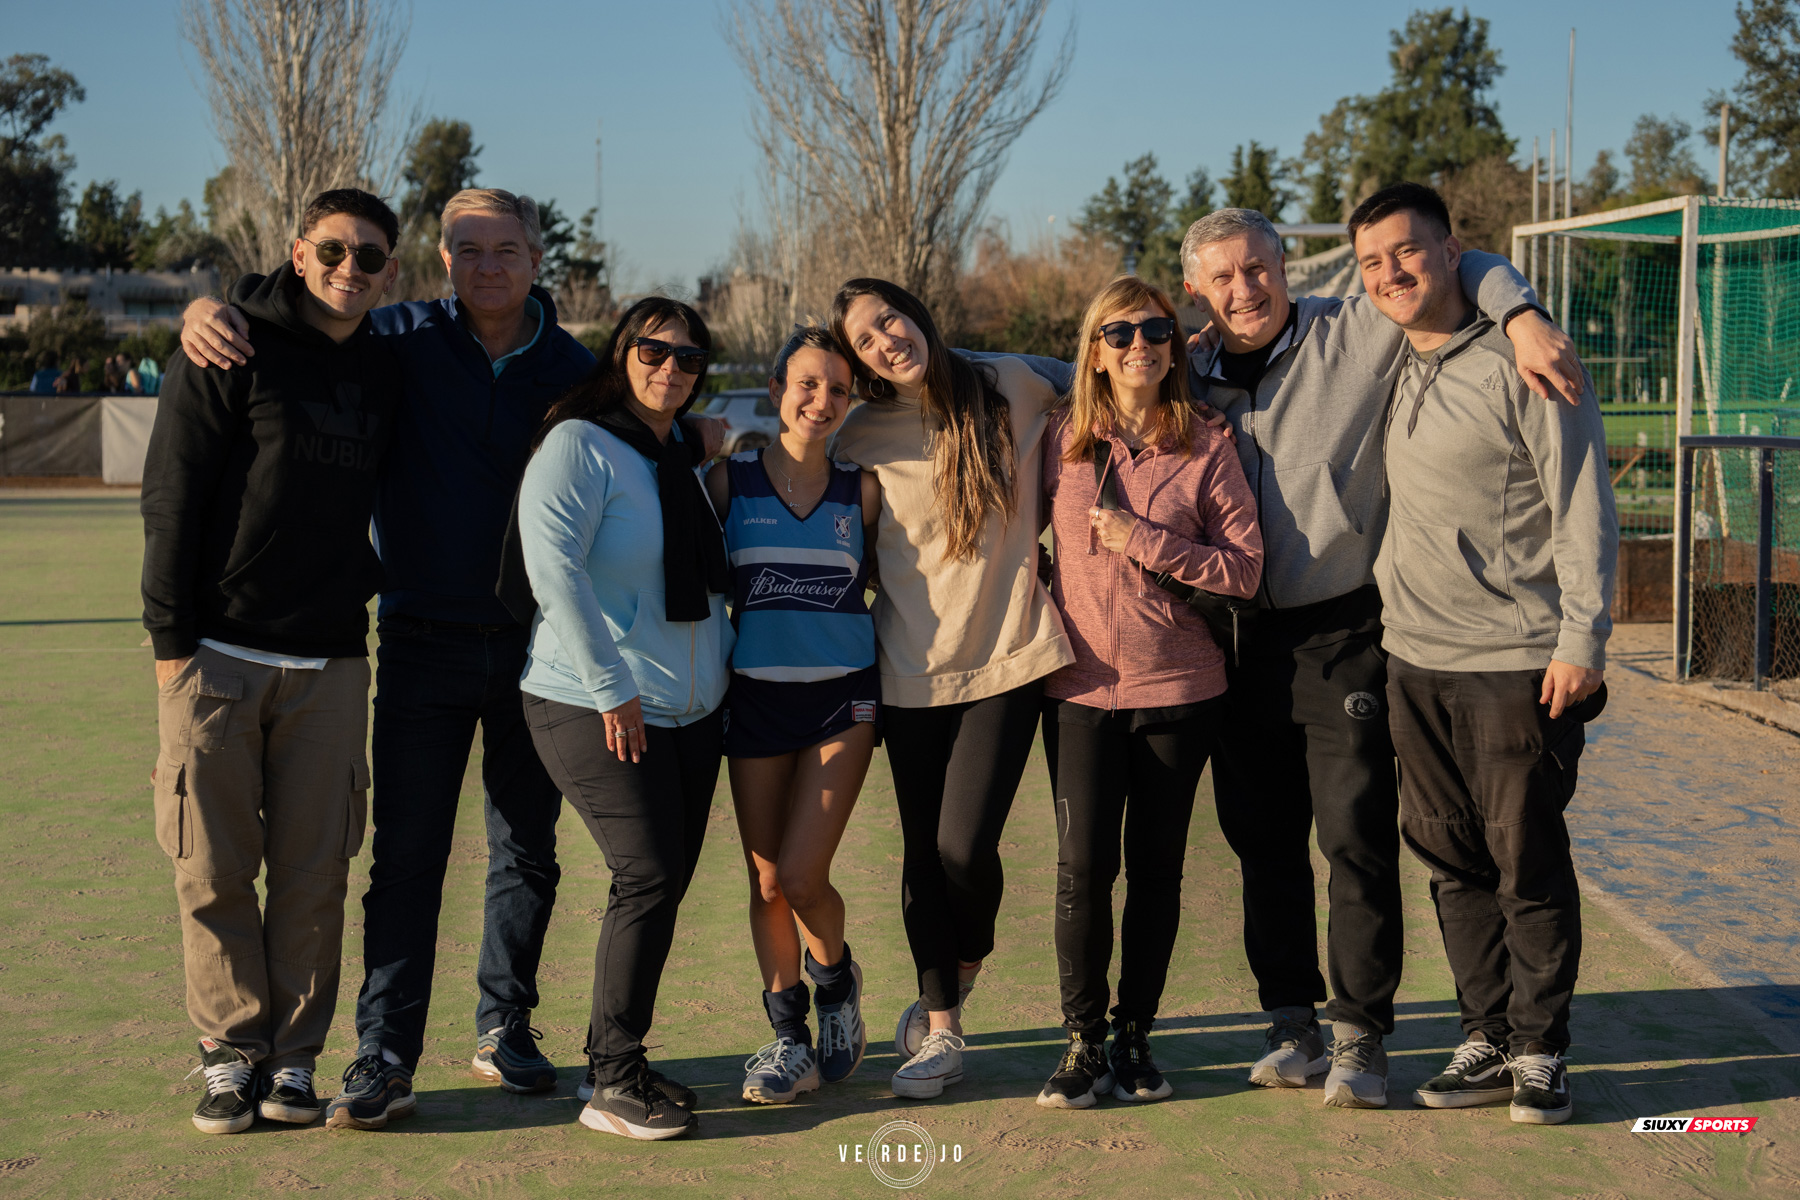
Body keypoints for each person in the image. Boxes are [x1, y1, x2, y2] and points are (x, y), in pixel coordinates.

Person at [998, 207, 1585, 1110]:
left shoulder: (1357, 329)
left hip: (1339, 630)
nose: (1245, 290)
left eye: (1258, 268)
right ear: (1197, 289)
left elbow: (1454, 266)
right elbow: (1058, 371)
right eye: (1223, 277)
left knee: (1354, 837)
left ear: (1285, 266)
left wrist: (1522, 312)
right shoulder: (1179, 367)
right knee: (1260, 841)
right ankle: (1292, 1023)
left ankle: (1361, 1033)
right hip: (1227, 642)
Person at [177, 190, 709, 1131]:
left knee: (526, 852)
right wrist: (212, 306)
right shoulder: (398, 338)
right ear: (442, 258)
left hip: (535, 658)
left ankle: (505, 1025)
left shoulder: (576, 369)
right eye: (469, 250)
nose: (489, 266)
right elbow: (302, 314)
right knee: (407, 859)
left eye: (506, 249)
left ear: (536, 258)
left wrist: (715, 441)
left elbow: (653, 429)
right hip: (419, 641)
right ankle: (383, 1054)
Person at [139, 188, 404, 1135]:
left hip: (330, 660)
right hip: (215, 654)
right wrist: (172, 644)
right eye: (332, 249)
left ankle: (294, 1061)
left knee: (312, 872)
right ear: (300, 253)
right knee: (210, 870)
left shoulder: (389, 362)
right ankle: (228, 1054)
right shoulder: (231, 344)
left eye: (370, 256)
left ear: (392, 272)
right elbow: (171, 491)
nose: (349, 268)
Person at [1350, 182, 1614, 1125]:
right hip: (1412, 657)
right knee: (1450, 856)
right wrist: (1515, 293)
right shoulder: (1379, 351)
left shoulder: (1527, 362)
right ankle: (1487, 1036)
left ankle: (1543, 1050)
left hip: (1517, 658)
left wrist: (1582, 635)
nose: (1392, 273)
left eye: (1409, 253)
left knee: (1525, 858)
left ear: (1451, 250)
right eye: (1373, 261)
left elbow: (1584, 499)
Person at [829, 278, 1074, 1100]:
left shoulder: (1013, 381)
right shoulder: (861, 434)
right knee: (920, 855)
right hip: (906, 672)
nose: (884, 341)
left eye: (888, 320)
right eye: (864, 341)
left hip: (1008, 655)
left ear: (916, 313)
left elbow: (1112, 378)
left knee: (965, 849)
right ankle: (942, 1032)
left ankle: (962, 963)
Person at [1035, 276, 1262, 1109]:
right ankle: (1082, 1039)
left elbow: (1244, 568)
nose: (1142, 347)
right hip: (1081, 690)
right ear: (1095, 348)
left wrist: (1149, 541)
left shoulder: (1207, 441)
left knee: (1156, 872)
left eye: (1158, 332)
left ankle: (1136, 1034)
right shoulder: (1060, 440)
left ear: (1175, 345)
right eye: (1122, 333)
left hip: (1180, 688)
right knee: (1080, 870)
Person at [515, 296, 732, 1141]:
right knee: (644, 874)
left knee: (665, 880)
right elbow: (553, 570)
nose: (670, 368)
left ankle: (621, 1056)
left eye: (687, 359)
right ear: (621, 352)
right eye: (653, 351)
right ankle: (610, 1081)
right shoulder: (579, 444)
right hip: (589, 698)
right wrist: (611, 687)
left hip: (690, 709)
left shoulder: (673, 448)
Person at [703, 326, 881, 1105]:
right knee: (769, 882)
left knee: (807, 875)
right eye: (807, 384)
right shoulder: (726, 481)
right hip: (756, 698)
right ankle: (788, 1039)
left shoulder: (861, 489)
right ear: (776, 391)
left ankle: (837, 984)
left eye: (838, 390)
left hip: (844, 697)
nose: (822, 400)